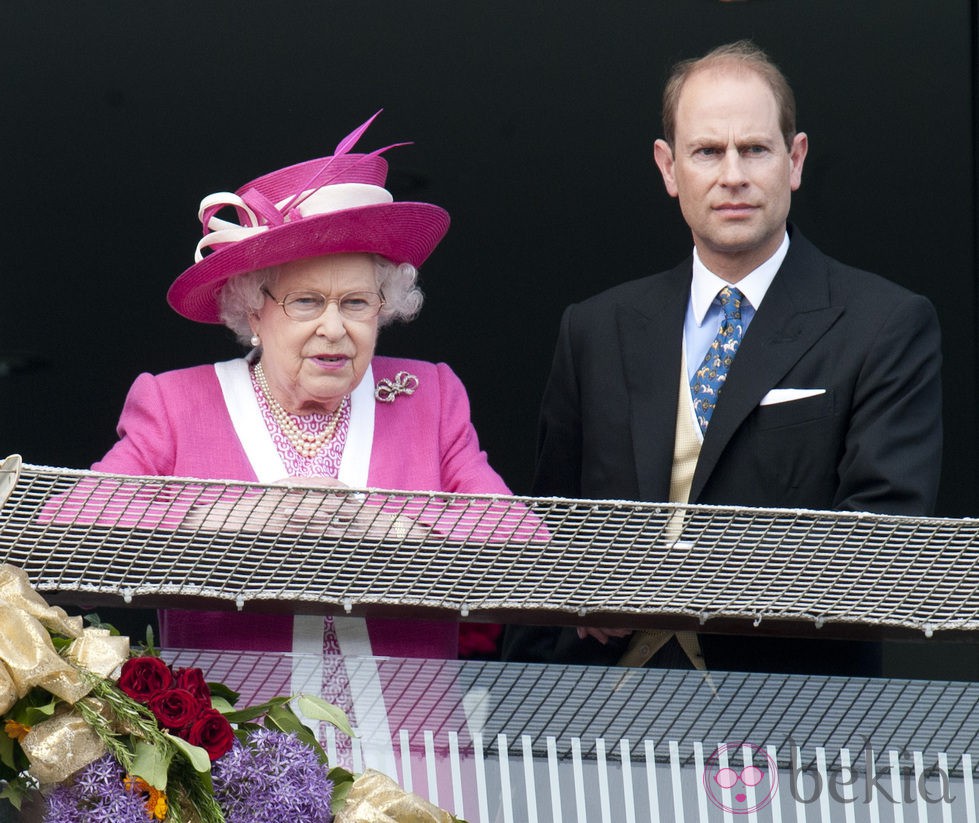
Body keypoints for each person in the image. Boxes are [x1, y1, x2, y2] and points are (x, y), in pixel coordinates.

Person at [503, 41, 942, 676]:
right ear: (668, 167)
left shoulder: (886, 324)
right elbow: (545, 542)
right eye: (707, 151)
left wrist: (662, 590)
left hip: (792, 722)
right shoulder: (595, 328)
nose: (731, 174)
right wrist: (519, 726)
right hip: (598, 717)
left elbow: (882, 548)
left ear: (794, 160)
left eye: (755, 149)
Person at [90, 111, 518, 663]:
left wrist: (397, 528)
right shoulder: (176, 404)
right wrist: (217, 520)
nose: (334, 328)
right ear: (252, 307)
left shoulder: (427, 397)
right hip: (239, 740)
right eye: (307, 302)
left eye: (357, 303)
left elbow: (517, 540)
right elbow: (74, 521)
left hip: (410, 737)